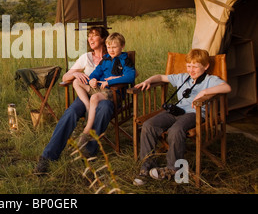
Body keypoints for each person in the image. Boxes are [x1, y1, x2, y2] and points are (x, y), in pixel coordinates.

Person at [133, 48, 231, 185]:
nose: (191, 70)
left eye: (195, 67)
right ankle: (146, 166)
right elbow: (161, 77)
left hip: (194, 114)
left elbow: (226, 87)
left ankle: (173, 169)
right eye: (189, 66)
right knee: (149, 125)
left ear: (206, 66)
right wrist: (147, 81)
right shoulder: (183, 77)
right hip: (176, 111)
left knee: (175, 130)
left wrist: (205, 92)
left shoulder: (210, 80)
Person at [35, 27, 114, 174]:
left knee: (104, 108)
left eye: (94, 36)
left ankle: (88, 150)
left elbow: (127, 72)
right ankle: (48, 156)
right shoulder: (86, 57)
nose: (90, 39)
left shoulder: (112, 55)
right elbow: (65, 77)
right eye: (89, 36)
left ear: (103, 39)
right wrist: (75, 74)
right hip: (86, 95)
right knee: (71, 112)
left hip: (104, 95)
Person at [73, 32, 136, 147]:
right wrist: (92, 80)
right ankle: (88, 107)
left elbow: (131, 76)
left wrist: (110, 81)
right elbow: (95, 73)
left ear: (122, 46)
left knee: (95, 97)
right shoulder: (105, 59)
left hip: (113, 92)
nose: (111, 50)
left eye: (114, 47)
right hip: (99, 88)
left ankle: (87, 130)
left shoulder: (125, 60)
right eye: (109, 47)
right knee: (76, 81)